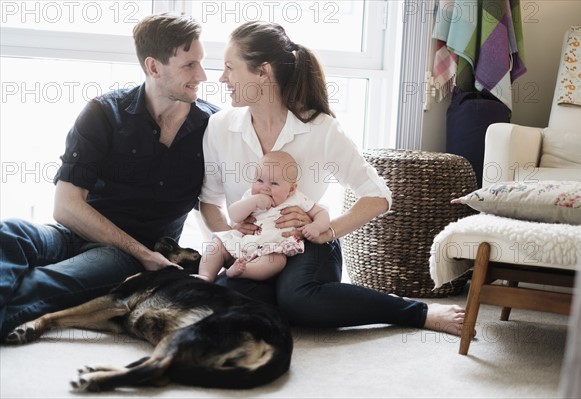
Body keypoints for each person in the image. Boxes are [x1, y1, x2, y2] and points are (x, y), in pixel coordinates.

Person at [199, 20, 466, 335]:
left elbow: (377, 196)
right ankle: (299, 304)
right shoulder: (219, 127)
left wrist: (326, 230)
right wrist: (232, 234)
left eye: (230, 68)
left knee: (297, 297)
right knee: (220, 299)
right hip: (253, 249)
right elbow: (209, 203)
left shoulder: (320, 129)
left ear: (263, 71)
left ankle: (416, 312)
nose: (222, 78)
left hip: (306, 246)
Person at [0, 13, 220, 340]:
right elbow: (66, 206)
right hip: (72, 233)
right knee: (10, 232)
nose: (202, 75)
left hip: (124, 255)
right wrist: (145, 254)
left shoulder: (212, 127)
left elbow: (212, 204)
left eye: (201, 63)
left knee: (44, 283)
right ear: (154, 67)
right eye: (190, 65)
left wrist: (233, 246)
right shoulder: (105, 112)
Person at [198, 150, 330, 281]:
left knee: (278, 262)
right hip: (243, 242)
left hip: (271, 248)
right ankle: (205, 276)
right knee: (217, 244)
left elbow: (321, 213)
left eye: (274, 183)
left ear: (291, 189)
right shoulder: (250, 196)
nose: (265, 188)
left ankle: (243, 271)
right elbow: (234, 215)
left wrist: (316, 226)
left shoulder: (297, 199)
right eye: (260, 180)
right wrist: (253, 202)